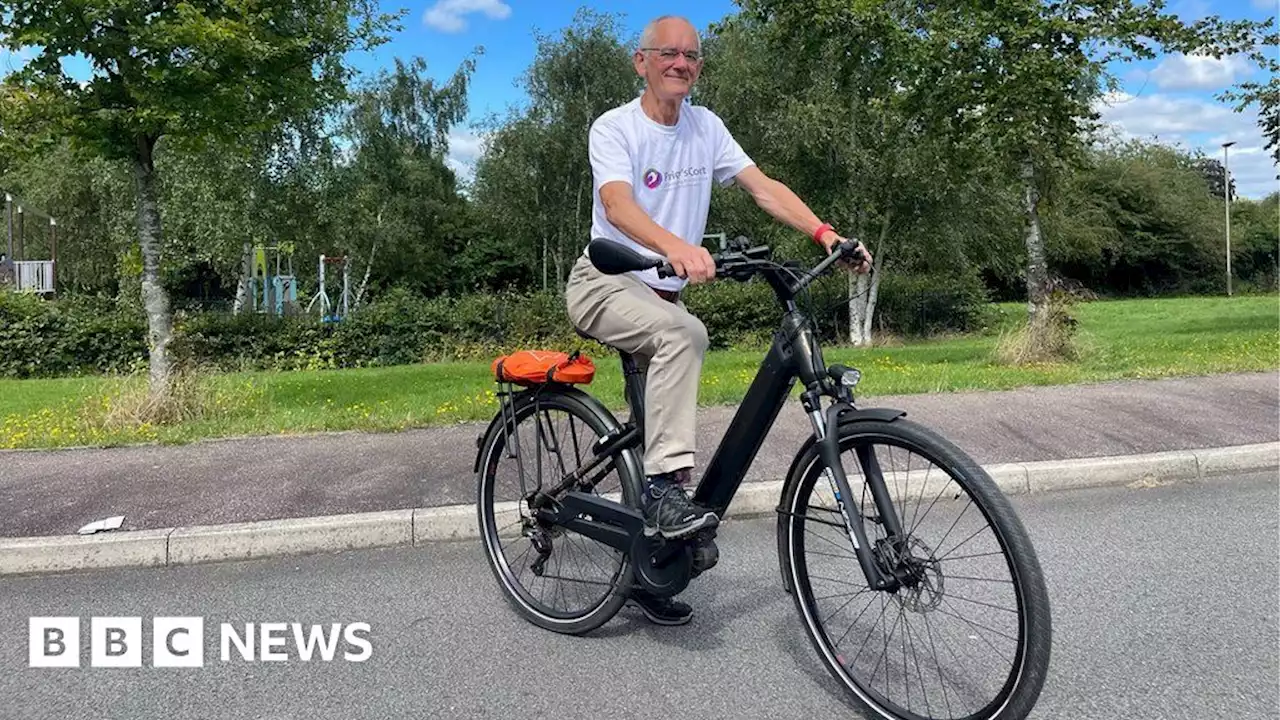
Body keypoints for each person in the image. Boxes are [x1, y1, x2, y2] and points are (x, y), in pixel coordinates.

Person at [564, 15, 872, 625]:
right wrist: (673, 246)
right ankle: (659, 497)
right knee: (686, 335)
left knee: (672, 360)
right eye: (669, 54)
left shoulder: (706, 127)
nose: (682, 63)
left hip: (660, 299)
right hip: (605, 280)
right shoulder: (615, 127)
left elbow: (763, 187)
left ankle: (654, 565)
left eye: (693, 56)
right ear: (641, 62)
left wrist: (825, 233)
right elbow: (618, 205)